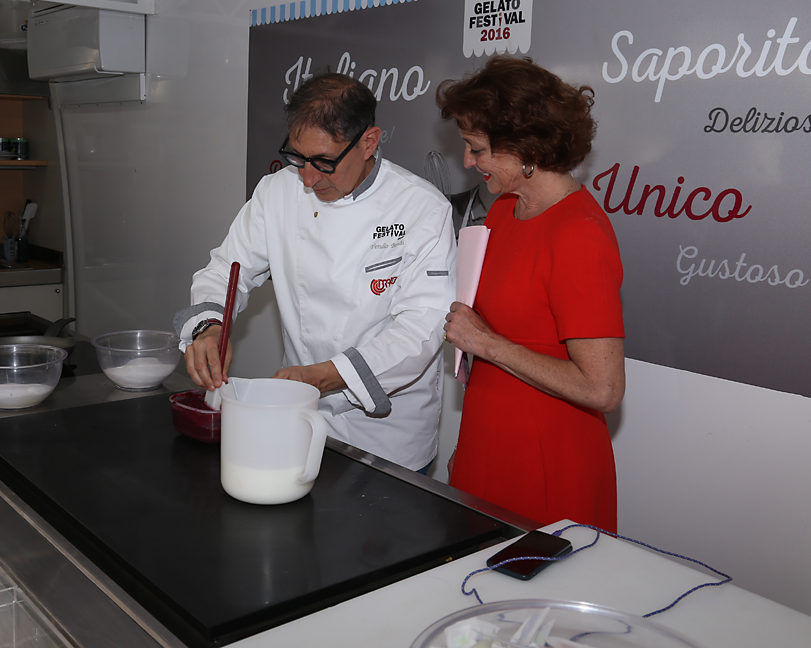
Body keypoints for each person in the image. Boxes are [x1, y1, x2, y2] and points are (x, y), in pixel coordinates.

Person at [175, 72, 457, 472]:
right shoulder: (276, 193)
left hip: (389, 435)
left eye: (324, 162)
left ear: (368, 142)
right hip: (301, 420)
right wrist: (209, 327)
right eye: (297, 157)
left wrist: (327, 375)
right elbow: (226, 269)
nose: (307, 177)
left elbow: (421, 329)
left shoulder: (421, 209)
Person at [437, 56, 625, 531]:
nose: (467, 162)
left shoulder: (578, 234)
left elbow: (603, 389)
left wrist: (487, 344)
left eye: (477, 149)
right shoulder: (504, 209)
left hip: (547, 461)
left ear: (523, 148)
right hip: (489, 441)